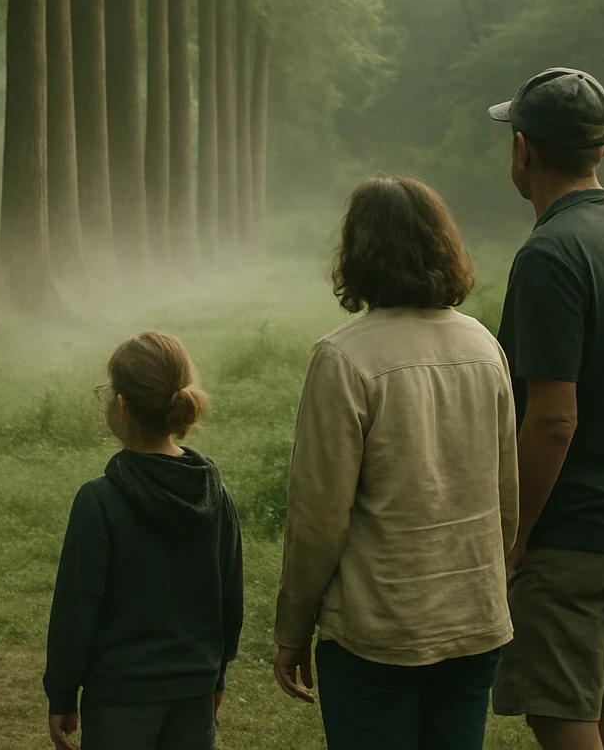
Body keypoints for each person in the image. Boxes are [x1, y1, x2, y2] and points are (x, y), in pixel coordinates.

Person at [273, 175, 518, 750]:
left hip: (378, 630)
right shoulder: (484, 346)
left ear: (357, 252)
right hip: (474, 622)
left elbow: (318, 520)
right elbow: (507, 498)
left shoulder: (343, 357)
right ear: (442, 246)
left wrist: (292, 629)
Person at [488, 68, 604, 750]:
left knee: (567, 720)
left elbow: (554, 417)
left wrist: (514, 535)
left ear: (522, 150)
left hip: (571, 541)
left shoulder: (551, 253)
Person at [43, 332, 244, 750]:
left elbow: (75, 611)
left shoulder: (99, 501)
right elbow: (230, 600)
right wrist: (217, 674)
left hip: (119, 697)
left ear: (120, 405)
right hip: (195, 688)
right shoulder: (215, 495)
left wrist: (62, 693)